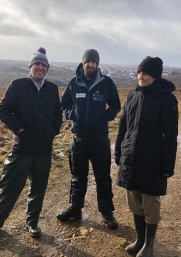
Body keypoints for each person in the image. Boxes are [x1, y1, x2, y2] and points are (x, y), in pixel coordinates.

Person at [0, 47, 62, 239]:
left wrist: (54, 131)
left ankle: (32, 223)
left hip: (44, 150)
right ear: (31, 66)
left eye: (43, 65)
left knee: (38, 189)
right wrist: (20, 130)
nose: (40, 68)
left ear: (47, 69)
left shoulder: (52, 89)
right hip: (22, 149)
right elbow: (4, 110)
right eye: (37, 64)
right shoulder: (17, 85)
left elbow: (57, 114)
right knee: (9, 188)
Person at [114, 56, 178, 257]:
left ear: (156, 76)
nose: (142, 77)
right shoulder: (133, 96)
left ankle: (149, 245)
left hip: (152, 159)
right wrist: (118, 151)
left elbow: (170, 135)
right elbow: (123, 126)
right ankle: (139, 240)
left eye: (146, 73)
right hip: (131, 157)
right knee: (134, 201)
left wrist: (168, 165)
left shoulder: (167, 99)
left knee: (150, 202)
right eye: (140, 73)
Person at [56, 49, 121, 228]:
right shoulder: (74, 83)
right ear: (83, 63)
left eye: (94, 62)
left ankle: (106, 211)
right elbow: (64, 104)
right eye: (88, 62)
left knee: (102, 177)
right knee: (78, 176)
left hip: (100, 138)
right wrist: (72, 114)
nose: (90, 65)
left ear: (97, 64)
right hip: (79, 138)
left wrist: (104, 116)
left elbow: (116, 105)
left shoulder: (106, 83)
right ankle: (75, 208)